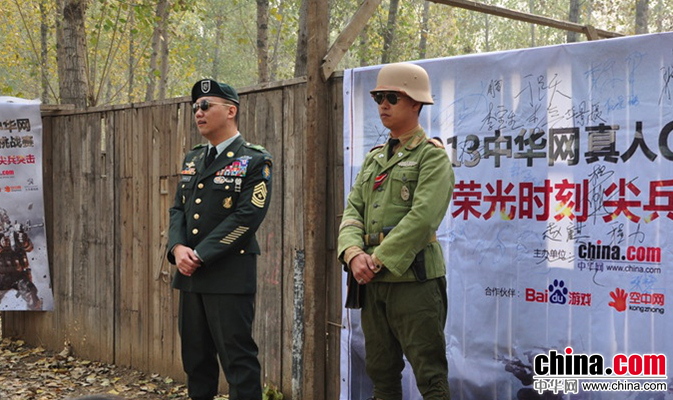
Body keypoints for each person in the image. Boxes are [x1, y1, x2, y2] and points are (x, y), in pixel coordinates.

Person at [337, 62, 454, 400]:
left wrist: (376, 260)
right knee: (381, 373)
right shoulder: (374, 159)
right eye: (378, 97)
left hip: (413, 280)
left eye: (392, 97)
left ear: (416, 103)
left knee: (430, 375)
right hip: (372, 283)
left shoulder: (432, 157)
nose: (383, 105)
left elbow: (423, 218)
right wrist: (352, 254)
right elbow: (353, 211)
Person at [167, 79, 273, 400]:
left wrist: (199, 254)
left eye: (205, 105)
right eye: (195, 107)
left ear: (231, 111)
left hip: (229, 275)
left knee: (238, 362)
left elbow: (247, 217)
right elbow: (178, 209)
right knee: (195, 361)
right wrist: (177, 248)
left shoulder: (254, 160)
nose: (198, 112)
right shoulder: (193, 158)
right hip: (190, 276)